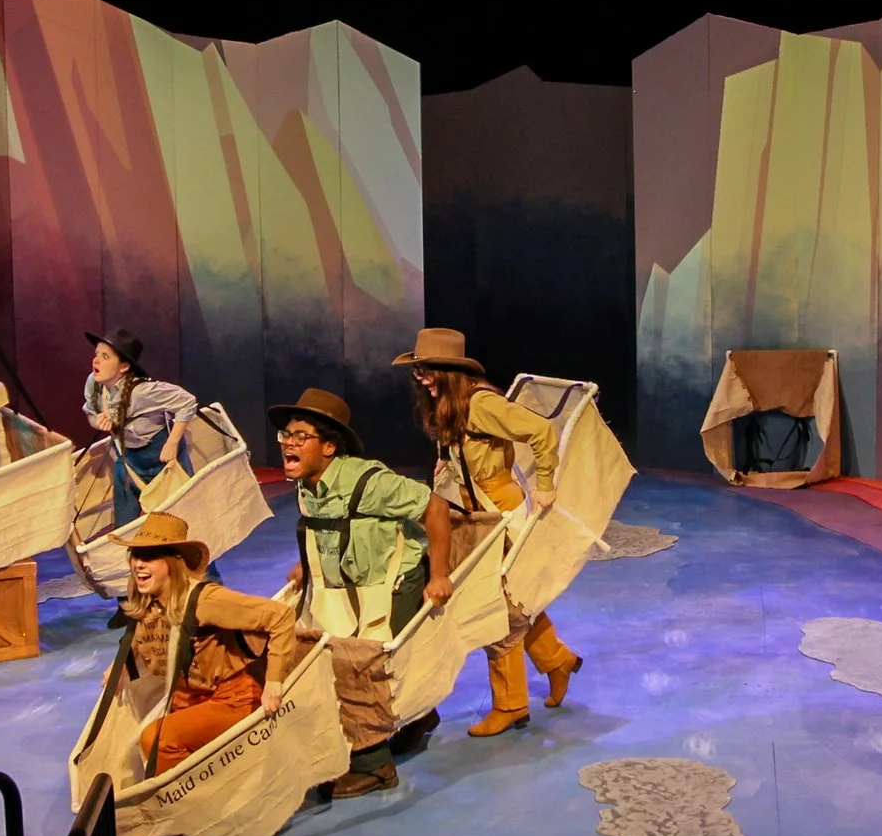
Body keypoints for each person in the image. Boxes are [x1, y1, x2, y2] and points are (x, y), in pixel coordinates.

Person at [394, 327, 582, 737]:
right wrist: (445, 465)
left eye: (428, 370)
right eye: (418, 371)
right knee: (513, 602)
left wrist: (546, 484)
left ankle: (511, 704)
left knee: (497, 608)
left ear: (449, 371)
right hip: (472, 510)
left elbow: (541, 431)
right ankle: (556, 659)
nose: (421, 377)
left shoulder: (481, 403)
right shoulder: (450, 404)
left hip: (499, 509)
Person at [272, 388, 454, 798]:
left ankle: (374, 766)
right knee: (327, 652)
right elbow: (327, 528)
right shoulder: (307, 484)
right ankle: (417, 717)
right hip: (351, 585)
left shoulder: (368, 481)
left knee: (361, 667)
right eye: (286, 435)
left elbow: (435, 508)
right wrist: (310, 565)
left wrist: (438, 574)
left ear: (330, 447)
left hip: (396, 580)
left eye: (301, 436)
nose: (288, 443)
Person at [112, 512, 300, 775]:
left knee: (157, 739)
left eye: (150, 556)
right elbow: (154, 641)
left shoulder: (205, 600)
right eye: (135, 556)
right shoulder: (146, 602)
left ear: (172, 562)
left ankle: (183, 808)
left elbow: (281, 616)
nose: (139, 565)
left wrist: (274, 682)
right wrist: (119, 667)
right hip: (186, 699)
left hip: (230, 699)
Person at [83, 326, 198, 522]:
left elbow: (187, 401)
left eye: (105, 356)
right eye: (96, 354)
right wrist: (98, 422)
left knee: (178, 521)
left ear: (124, 367)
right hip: (129, 462)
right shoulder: (94, 383)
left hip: (161, 460)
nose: (96, 360)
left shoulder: (143, 391)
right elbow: (90, 412)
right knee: (124, 525)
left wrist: (172, 443)